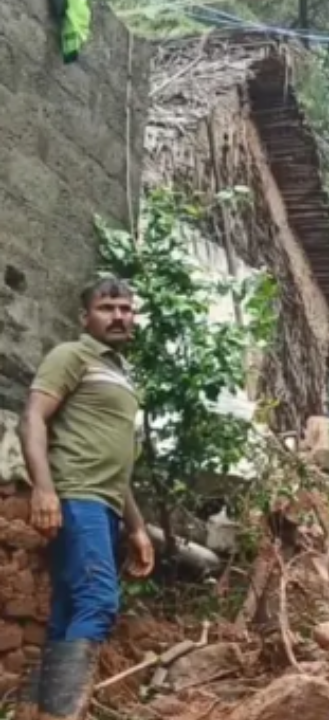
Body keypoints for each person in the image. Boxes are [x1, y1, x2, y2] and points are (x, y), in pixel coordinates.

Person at [16, 278, 155, 720]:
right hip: (77, 497)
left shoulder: (121, 375)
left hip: (104, 505)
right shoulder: (71, 356)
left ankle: (33, 711)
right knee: (98, 603)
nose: (118, 316)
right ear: (85, 317)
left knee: (68, 609)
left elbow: (118, 463)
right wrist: (43, 488)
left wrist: (136, 527)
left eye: (126, 308)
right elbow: (32, 419)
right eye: (107, 308)